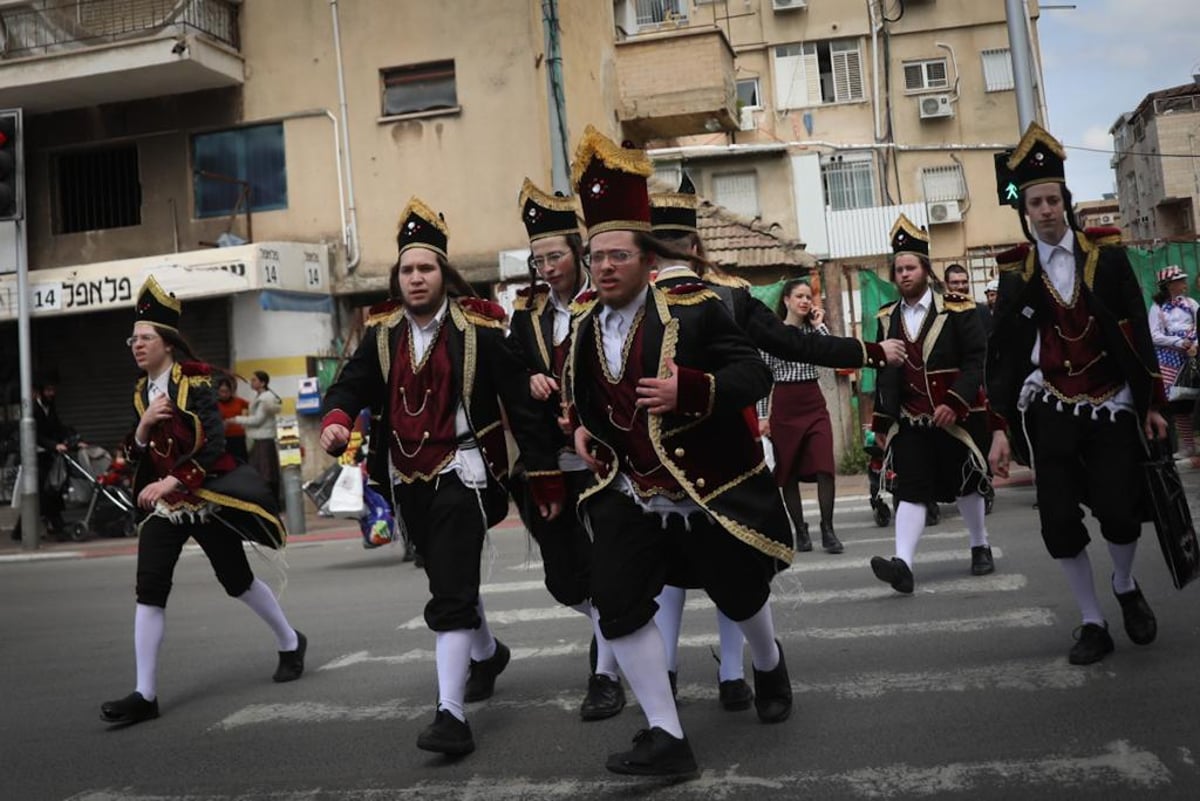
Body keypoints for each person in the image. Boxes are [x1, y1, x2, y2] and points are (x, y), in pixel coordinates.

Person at [563, 127, 793, 778]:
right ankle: (667, 734)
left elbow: (754, 374)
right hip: (635, 496)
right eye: (595, 256)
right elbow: (592, 400)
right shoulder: (584, 328)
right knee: (615, 602)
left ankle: (770, 666)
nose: (604, 266)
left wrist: (690, 389)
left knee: (740, 594)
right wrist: (586, 431)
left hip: (706, 492)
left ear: (646, 259)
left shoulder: (694, 312)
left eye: (617, 255)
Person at [319, 197, 564, 756]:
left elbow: (519, 404)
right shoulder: (382, 334)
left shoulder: (477, 328)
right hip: (405, 477)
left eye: (425, 267)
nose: (415, 278)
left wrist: (543, 472)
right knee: (446, 579)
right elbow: (349, 387)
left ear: (443, 274)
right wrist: (336, 421)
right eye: (407, 269)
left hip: (464, 469)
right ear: (397, 277)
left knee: (451, 587)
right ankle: (488, 654)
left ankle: (450, 717)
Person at [646, 175, 900, 713]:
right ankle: (663, 678)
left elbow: (792, 343)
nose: (660, 262)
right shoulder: (626, 308)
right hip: (657, 469)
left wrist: (867, 352)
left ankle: (759, 667)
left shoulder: (729, 299)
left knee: (735, 578)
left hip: (724, 460)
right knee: (664, 575)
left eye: (671, 248)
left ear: (694, 249)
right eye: (654, 249)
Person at [987, 122, 1167, 665]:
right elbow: (1005, 354)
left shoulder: (1106, 258)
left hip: (1111, 399)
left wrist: (1154, 403)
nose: (1045, 210)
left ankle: (1125, 583)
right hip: (1052, 407)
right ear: (1025, 210)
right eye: (1035, 202)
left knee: (1118, 511)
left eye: (1052, 200)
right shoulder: (1016, 276)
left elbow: (1137, 324)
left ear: (1066, 203)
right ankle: (1092, 621)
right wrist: (998, 426)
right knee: (1059, 520)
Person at [99, 276, 306, 727]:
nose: (136, 345)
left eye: (145, 338)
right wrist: (143, 426)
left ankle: (291, 641)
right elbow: (136, 453)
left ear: (167, 344)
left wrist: (173, 482)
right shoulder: (140, 393)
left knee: (237, 581)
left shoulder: (196, 382)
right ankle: (145, 693)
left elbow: (213, 445)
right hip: (164, 506)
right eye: (133, 338)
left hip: (205, 497)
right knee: (149, 590)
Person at [506, 178, 625, 722]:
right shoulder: (527, 315)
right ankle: (616, 627)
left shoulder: (603, 304)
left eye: (554, 256)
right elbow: (510, 380)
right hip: (551, 464)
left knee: (608, 569)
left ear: (577, 253)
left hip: (605, 461)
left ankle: (605, 673)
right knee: (563, 580)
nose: (547, 268)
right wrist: (530, 373)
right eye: (538, 260)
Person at [868, 215, 994, 594]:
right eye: (899, 269)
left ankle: (980, 544)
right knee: (910, 490)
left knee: (967, 484)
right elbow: (884, 372)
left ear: (926, 270)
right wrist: (882, 424)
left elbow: (976, 359)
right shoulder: (886, 316)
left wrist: (955, 402)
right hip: (909, 421)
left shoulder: (958, 308)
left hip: (953, 417)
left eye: (911, 267)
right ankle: (903, 565)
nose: (904, 274)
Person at [758, 279, 842, 555]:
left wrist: (819, 325)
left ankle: (828, 530)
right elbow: (762, 379)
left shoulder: (812, 332)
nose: (805, 301)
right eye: (799, 296)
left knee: (824, 466)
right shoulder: (773, 334)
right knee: (788, 471)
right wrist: (762, 418)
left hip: (813, 402)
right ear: (786, 300)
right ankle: (800, 529)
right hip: (784, 404)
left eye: (809, 297)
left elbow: (831, 352)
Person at [1148, 265, 1198, 458]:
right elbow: (1154, 335)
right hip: (1171, 360)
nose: (1185, 283)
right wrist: (1178, 342)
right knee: (1179, 402)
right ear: (1169, 285)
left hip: (1194, 354)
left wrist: (1194, 343)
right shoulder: (1157, 308)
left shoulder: (1191, 304)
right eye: (1180, 280)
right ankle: (1188, 445)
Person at [233, 371, 282, 499]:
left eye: (254, 380)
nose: (251, 382)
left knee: (266, 473)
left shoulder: (266, 398)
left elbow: (258, 419)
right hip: (259, 438)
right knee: (262, 472)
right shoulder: (260, 397)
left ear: (262, 383)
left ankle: (271, 500)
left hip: (264, 438)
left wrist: (236, 420)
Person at [32, 374, 70, 536]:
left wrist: (73, 439)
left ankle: (21, 531)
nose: (51, 393)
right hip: (37, 457)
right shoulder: (33, 410)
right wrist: (54, 445)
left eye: (53, 390)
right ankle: (58, 526)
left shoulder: (50, 407)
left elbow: (58, 427)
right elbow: (36, 435)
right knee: (47, 493)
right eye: (48, 390)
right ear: (40, 392)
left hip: (49, 456)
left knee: (51, 491)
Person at [216, 375, 250, 462]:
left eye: (226, 391)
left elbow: (251, 408)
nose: (224, 394)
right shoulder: (215, 404)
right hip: (223, 438)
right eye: (221, 391)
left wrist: (245, 416)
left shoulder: (239, 401)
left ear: (231, 391)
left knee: (241, 461)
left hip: (239, 437)